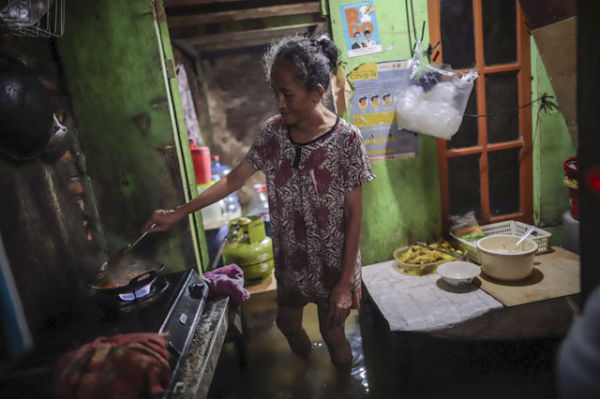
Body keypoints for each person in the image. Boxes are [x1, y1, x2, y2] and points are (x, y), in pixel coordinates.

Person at [144, 35, 375, 368]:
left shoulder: (346, 140)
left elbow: (355, 215)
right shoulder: (273, 133)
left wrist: (343, 284)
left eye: (287, 94)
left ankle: (340, 385)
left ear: (317, 93)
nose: (279, 103)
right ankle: (308, 370)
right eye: (274, 92)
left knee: (334, 333)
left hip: (333, 263)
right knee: (287, 323)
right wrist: (179, 213)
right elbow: (233, 179)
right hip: (291, 258)